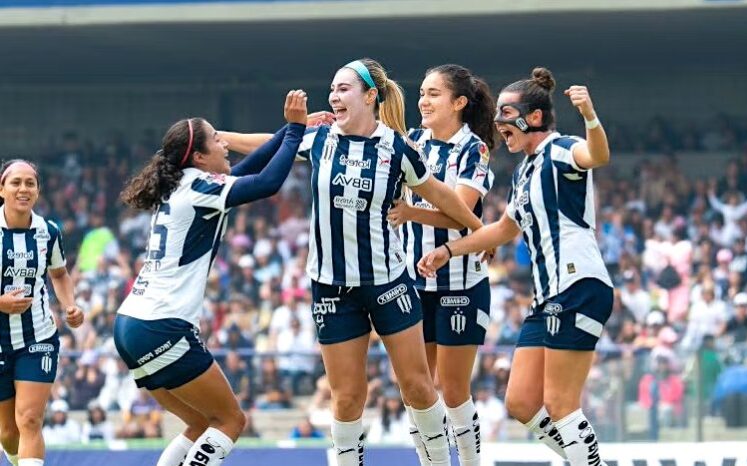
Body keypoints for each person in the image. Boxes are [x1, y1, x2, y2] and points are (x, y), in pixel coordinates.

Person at [224, 58, 485, 466]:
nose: (333, 95)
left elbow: (442, 196)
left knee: (417, 386)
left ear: (369, 96)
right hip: (331, 286)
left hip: (387, 282)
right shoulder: (320, 139)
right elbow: (267, 144)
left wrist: (480, 231)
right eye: (332, 88)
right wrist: (217, 136)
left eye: (343, 88)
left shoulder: (398, 148)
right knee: (346, 397)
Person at [418, 67, 613, 466]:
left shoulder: (561, 150)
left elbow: (598, 155)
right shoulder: (524, 172)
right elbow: (502, 230)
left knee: (560, 403)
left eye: (507, 114)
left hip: (578, 285)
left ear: (535, 118)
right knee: (522, 402)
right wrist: (449, 252)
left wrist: (590, 115)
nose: (498, 123)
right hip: (547, 298)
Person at [112, 90, 308, 466]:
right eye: (217, 139)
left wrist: (289, 130)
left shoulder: (186, 184)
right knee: (231, 420)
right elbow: (266, 183)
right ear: (199, 157)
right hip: (161, 325)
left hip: (132, 323)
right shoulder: (200, 188)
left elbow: (246, 171)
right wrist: (296, 131)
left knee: (201, 423)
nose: (225, 143)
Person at [386, 64, 495, 466]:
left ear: (459, 102)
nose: (423, 101)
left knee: (451, 389)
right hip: (414, 284)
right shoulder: (412, 141)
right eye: (422, 93)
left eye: (434, 94)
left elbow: (461, 211)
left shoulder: (474, 148)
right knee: (416, 388)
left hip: (461, 284)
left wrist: (411, 212)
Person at [0, 159, 85, 466]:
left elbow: (59, 274)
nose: (23, 189)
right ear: (2, 189)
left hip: (38, 336)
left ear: (37, 191)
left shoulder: (48, 232)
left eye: (30, 183)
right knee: (8, 432)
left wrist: (70, 305)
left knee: (30, 420)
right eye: (16, 182)